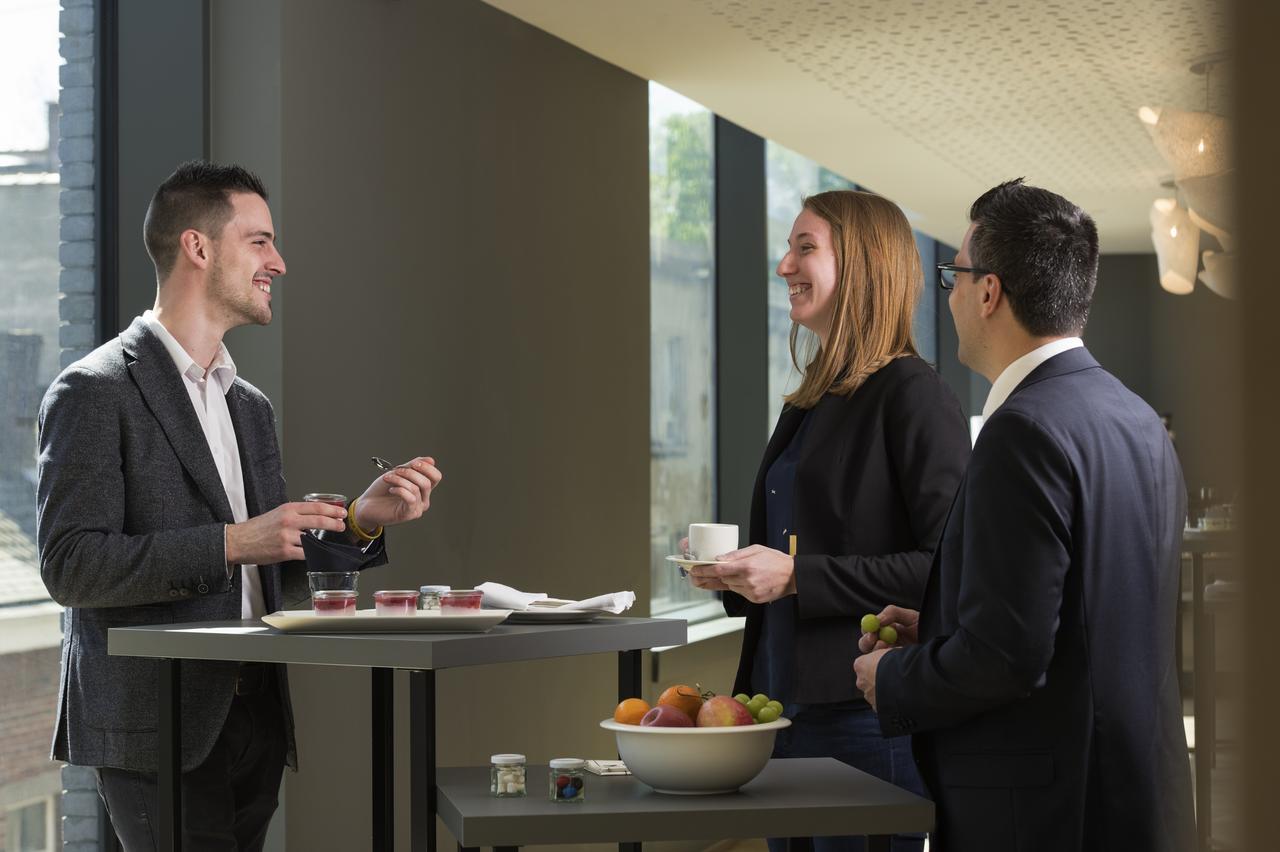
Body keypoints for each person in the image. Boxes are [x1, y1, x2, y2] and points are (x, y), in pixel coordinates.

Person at [36, 161, 444, 851]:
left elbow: (268, 567)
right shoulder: (93, 392)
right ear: (198, 247)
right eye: (260, 241)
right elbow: (72, 567)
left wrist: (359, 521)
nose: (278, 263)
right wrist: (231, 541)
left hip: (256, 718)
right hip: (157, 726)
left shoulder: (249, 407)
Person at [853, 179, 1195, 851]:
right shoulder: (1137, 419)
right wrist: (944, 625)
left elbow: (1006, 659)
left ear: (989, 292)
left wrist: (891, 677)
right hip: (1136, 796)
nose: (947, 297)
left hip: (1043, 814)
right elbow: (1090, 619)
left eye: (954, 275)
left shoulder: (1023, 431)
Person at [689, 190, 969, 852]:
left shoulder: (914, 397)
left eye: (804, 248)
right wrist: (741, 576)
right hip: (776, 707)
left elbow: (948, 567)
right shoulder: (812, 400)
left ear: (866, 265)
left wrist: (795, 579)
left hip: (863, 717)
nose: (783, 265)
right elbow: (809, 545)